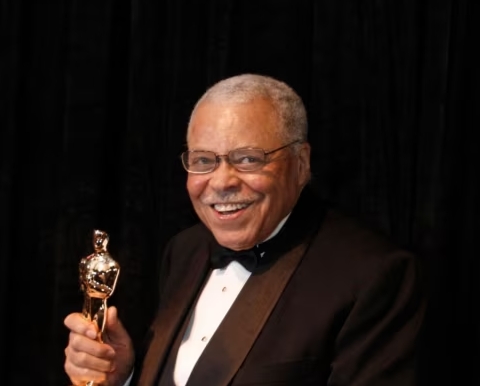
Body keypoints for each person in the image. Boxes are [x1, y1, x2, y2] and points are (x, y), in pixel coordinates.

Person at [64, 74, 425, 385]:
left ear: (301, 164)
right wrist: (125, 375)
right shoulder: (184, 250)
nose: (221, 182)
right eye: (204, 161)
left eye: (248, 159)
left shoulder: (374, 275)